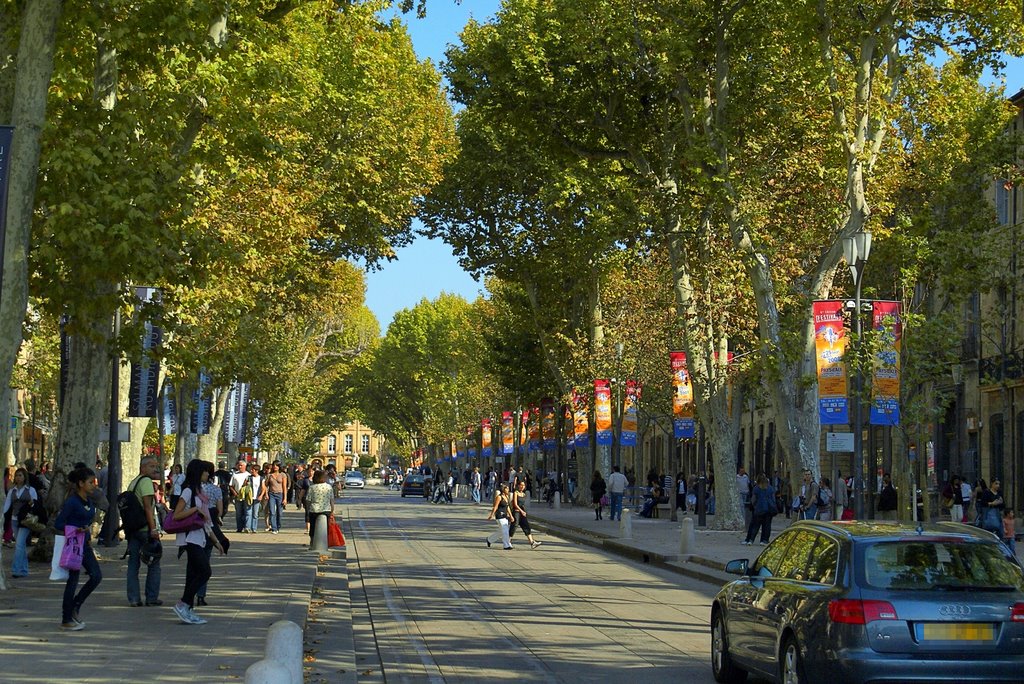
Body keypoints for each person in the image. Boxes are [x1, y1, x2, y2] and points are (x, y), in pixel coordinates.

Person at [171, 459, 220, 625]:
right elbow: (177, 514)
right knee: (205, 571)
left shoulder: (200, 492)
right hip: (189, 539)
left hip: (199, 538)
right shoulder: (188, 491)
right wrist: (194, 509)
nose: (208, 474)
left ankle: (188, 609)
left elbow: (206, 522)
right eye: (205, 471)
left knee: (192, 575)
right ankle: (183, 603)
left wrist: (216, 541)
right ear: (198, 472)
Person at [57, 466, 102, 631]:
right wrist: (75, 528)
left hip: (85, 544)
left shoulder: (89, 501)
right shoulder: (72, 502)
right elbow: (59, 523)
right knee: (73, 581)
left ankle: (75, 605)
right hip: (73, 545)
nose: (94, 485)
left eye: (94, 482)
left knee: (96, 576)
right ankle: (66, 618)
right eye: (91, 482)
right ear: (81, 483)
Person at [125, 456, 163, 607]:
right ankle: (151, 597)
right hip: (145, 529)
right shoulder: (146, 482)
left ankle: (134, 598)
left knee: (133, 564)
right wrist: (153, 528)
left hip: (132, 529)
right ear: (143, 468)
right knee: (154, 563)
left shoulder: (133, 482)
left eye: (156, 466)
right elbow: (148, 507)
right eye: (152, 466)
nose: (155, 469)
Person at [197, 462, 227, 607]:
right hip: (210, 521)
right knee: (205, 561)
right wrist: (218, 517)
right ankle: (201, 595)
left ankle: (192, 593)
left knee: (194, 564)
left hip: (195, 526)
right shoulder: (215, 490)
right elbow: (220, 509)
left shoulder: (193, 489)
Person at [3, 467, 38, 578]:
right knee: (21, 545)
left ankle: (16, 570)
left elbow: (36, 504)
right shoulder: (12, 491)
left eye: (20, 475)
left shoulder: (30, 490)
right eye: (17, 475)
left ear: (24, 477)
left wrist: (32, 503)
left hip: (26, 521)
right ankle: (24, 569)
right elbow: (7, 505)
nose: (18, 478)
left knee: (18, 545)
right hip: (14, 520)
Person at [743, 475, 777, 545]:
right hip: (769, 509)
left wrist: (754, 506)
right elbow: (773, 499)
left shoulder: (756, 488)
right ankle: (764, 540)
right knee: (767, 525)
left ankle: (750, 540)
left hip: (759, 509)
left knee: (755, 525)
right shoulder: (770, 488)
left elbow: (753, 500)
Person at [305, 470, 334, 546]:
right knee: (325, 527)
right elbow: (331, 500)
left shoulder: (312, 487)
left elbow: (308, 499)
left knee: (313, 527)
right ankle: (325, 542)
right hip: (326, 509)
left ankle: (312, 541)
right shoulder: (328, 487)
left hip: (314, 510)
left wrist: (307, 509)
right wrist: (332, 510)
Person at [510, 480, 541, 548]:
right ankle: (508, 541)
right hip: (516, 512)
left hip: (522, 512)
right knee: (514, 526)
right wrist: (521, 511)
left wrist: (524, 511)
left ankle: (532, 542)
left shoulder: (524, 494)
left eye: (523, 485)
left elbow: (522, 504)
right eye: (521, 485)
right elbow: (515, 504)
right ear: (518, 485)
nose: (522, 487)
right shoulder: (516, 493)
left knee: (526, 526)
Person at [485, 483, 514, 550]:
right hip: (499, 515)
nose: (508, 490)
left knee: (501, 531)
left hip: (505, 515)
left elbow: (507, 507)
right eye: (507, 488)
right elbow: (495, 507)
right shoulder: (499, 497)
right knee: (505, 530)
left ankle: (489, 540)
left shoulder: (507, 497)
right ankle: (506, 545)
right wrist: (491, 515)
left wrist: (511, 516)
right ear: (503, 489)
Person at [265, 462, 289, 534]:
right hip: (271, 494)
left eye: (277, 466)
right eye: (274, 465)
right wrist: (266, 494)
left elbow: (284, 487)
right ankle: (274, 528)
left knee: (279, 512)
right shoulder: (269, 475)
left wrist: (285, 498)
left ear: (279, 467)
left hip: (280, 494)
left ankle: (278, 526)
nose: (275, 467)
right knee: (272, 511)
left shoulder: (283, 475)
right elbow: (266, 485)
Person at [228, 460, 251, 533]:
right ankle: (239, 528)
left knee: (247, 512)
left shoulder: (248, 475)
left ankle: (247, 527)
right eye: (239, 465)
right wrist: (234, 493)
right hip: (238, 496)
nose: (240, 466)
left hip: (246, 497)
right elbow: (231, 485)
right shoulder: (235, 475)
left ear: (245, 466)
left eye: (241, 465)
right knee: (239, 513)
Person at [247, 463, 266, 533]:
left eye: (253, 470)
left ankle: (254, 528)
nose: (251, 471)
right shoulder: (249, 478)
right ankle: (247, 527)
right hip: (249, 497)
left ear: (257, 471)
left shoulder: (261, 479)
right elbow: (244, 485)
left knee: (255, 514)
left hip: (257, 498)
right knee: (248, 513)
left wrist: (261, 495)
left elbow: (264, 488)